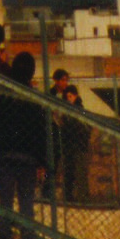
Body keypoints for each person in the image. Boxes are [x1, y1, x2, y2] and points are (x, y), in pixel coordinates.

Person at [0, 49, 47, 239]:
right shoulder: (33, 98)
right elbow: (41, 132)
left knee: (5, 205)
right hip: (27, 158)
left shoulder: (0, 94)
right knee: (27, 206)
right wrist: (43, 161)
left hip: (2, 156)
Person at [51, 70, 90, 202]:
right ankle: (69, 197)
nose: (70, 99)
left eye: (71, 96)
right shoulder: (65, 111)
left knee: (80, 173)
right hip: (68, 146)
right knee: (68, 173)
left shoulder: (80, 110)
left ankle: (82, 198)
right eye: (67, 96)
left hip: (78, 146)